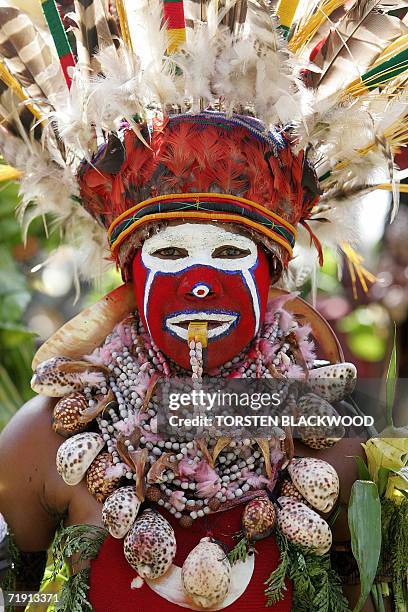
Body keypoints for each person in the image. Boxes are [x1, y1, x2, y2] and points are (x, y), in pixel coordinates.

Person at [0, 1, 406, 610]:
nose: (198, 284)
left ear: (268, 278)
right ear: (129, 276)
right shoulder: (40, 448)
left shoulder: (341, 452)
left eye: (225, 252)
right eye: (168, 254)